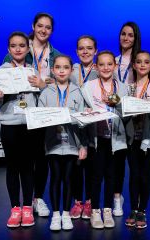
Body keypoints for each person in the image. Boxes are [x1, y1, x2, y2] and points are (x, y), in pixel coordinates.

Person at [3, 13, 61, 217]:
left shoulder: (55, 55)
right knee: (24, 161)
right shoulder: (19, 51)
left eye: (48, 27)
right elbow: (5, 80)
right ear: (33, 26)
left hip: (43, 111)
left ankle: (37, 198)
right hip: (21, 114)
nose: (43, 30)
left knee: (41, 158)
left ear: (52, 31)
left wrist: (44, 84)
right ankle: (24, 203)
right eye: (40, 26)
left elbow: (60, 83)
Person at [0, 32, 46, 228]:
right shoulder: (1, 71)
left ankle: (27, 207)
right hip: (9, 125)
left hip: (29, 126)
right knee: (13, 167)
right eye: (14, 46)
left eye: (22, 45)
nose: (18, 49)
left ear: (28, 49)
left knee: (27, 167)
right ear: (8, 49)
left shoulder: (33, 71)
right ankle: (15, 208)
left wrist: (41, 85)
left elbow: (40, 98)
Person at [38, 55, 87, 231]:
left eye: (65, 67)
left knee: (68, 179)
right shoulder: (46, 92)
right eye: (58, 67)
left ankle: (66, 214)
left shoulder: (77, 92)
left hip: (73, 144)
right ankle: (56, 215)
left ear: (70, 70)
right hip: (53, 144)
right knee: (55, 178)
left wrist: (83, 145)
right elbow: (39, 119)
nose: (61, 70)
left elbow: (83, 122)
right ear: (53, 69)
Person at [81, 51, 128, 229]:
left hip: (116, 140)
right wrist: (86, 112)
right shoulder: (88, 86)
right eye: (102, 64)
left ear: (115, 66)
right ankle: (95, 211)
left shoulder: (123, 88)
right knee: (96, 176)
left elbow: (127, 115)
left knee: (111, 176)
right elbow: (82, 108)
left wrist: (119, 105)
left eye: (110, 64)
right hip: (97, 139)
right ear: (96, 66)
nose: (106, 68)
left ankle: (107, 210)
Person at [124, 50, 150, 229]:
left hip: (148, 138)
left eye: (147, 62)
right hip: (132, 138)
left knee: (145, 176)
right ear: (134, 65)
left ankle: (142, 211)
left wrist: (146, 107)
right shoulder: (127, 88)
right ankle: (133, 209)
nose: (143, 64)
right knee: (134, 175)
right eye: (139, 61)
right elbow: (123, 117)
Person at [113, 21, 141, 217]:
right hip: (114, 115)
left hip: (133, 118)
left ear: (135, 38)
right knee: (116, 160)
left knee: (133, 161)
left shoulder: (139, 60)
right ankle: (117, 197)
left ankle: (136, 205)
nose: (126, 38)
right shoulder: (112, 61)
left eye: (130, 35)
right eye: (123, 34)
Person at [68, 35, 98, 220]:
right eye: (81, 48)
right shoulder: (71, 70)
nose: (85, 51)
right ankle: (77, 201)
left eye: (89, 48)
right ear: (77, 51)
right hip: (74, 125)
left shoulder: (100, 70)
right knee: (75, 167)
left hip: (94, 125)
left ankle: (89, 201)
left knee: (92, 167)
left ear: (95, 50)